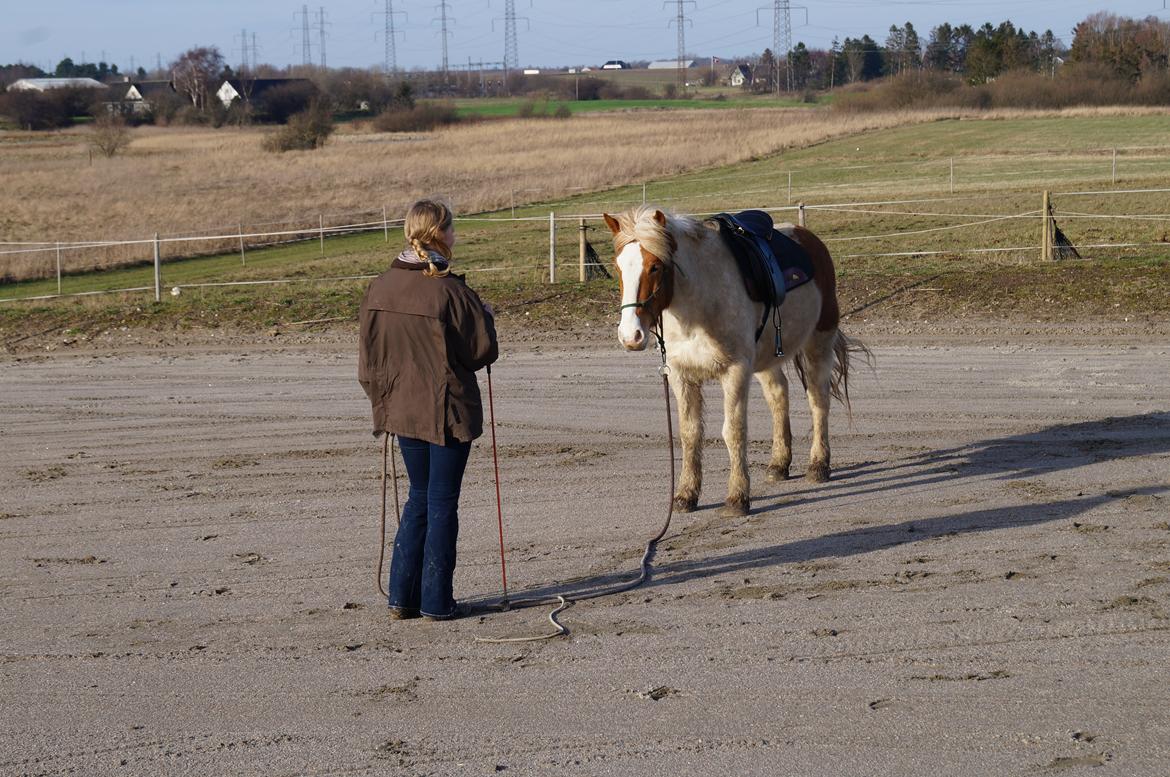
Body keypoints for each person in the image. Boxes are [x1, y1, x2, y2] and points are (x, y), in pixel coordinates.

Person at [358, 199, 498, 621]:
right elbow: (481, 352)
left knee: (420, 497)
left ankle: (402, 598)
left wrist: (384, 403)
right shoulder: (452, 290)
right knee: (440, 501)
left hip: (402, 411)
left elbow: (368, 361)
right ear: (439, 233)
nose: (455, 237)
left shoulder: (379, 286)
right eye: (452, 230)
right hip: (447, 412)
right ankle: (437, 601)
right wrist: (486, 318)